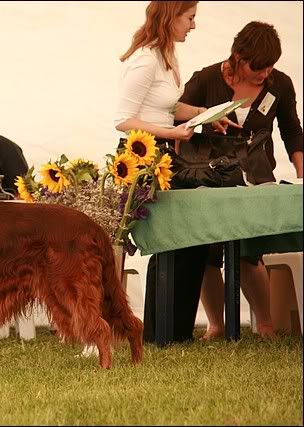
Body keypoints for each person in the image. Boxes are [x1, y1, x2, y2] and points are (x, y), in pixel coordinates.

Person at [114, 1, 240, 343]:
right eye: (190, 18)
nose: (193, 25)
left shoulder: (166, 56)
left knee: (188, 237)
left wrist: (203, 114)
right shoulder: (145, 60)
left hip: (163, 153)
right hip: (142, 156)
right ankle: (163, 332)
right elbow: (123, 119)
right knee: (172, 238)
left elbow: (167, 106)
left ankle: (174, 331)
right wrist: (172, 132)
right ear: (172, 17)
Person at [178, 21, 303, 339]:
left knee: (250, 250)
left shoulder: (280, 84)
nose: (264, 73)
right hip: (210, 177)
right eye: (257, 67)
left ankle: (265, 325)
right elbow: (177, 119)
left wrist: (301, 173)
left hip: (257, 178)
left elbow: (292, 132)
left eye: (270, 66)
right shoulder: (205, 79)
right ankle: (216, 325)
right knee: (207, 250)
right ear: (237, 56)